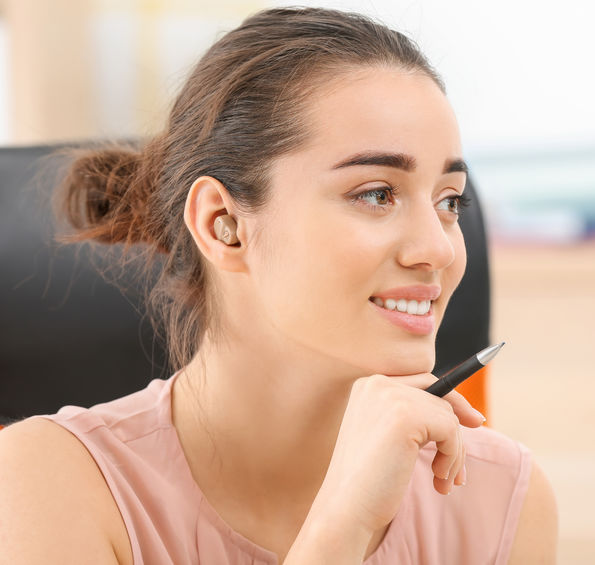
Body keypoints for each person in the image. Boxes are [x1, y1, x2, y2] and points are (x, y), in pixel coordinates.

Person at [0, 7, 558, 564]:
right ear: (225, 226)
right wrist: (343, 522)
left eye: (449, 201)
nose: (438, 248)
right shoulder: (45, 485)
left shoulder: (501, 497)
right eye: (376, 194)